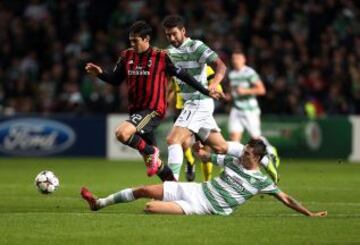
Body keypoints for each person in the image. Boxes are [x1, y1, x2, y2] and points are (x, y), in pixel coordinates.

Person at [85, 20, 222, 181]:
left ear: (146, 39)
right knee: (154, 165)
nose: (132, 44)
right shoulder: (126, 55)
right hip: (136, 110)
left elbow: (183, 75)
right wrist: (100, 73)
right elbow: (116, 80)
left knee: (122, 133)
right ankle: (172, 188)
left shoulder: (161, 56)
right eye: (131, 41)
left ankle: (151, 152)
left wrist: (205, 90)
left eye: (135, 40)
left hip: (153, 109)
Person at [80, 138, 327, 217]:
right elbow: (207, 159)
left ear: (257, 158)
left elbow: (286, 199)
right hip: (195, 189)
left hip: (202, 206)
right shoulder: (233, 160)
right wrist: (200, 152)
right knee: (144, 189)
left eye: (248, 152)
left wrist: (309, 213)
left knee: (149, 207)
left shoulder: (261, 181)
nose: (242, 153)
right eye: (244, 150)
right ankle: (99, 203)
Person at [162, 15, 276, 182]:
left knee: (173, 139)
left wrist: (214, 83)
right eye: (168, 35)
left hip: (199, 101)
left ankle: (171, 188)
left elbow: (221, 65)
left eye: (174, 34)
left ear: (183, 31)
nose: (172, 38)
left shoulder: (196, 46)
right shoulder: (169, 52)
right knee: (221, 147)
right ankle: (265, 160)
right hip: (192, 104)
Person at [228, 51, 280, 181]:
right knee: (234, 139)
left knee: (256, 138)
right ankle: (236, 169)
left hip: (250, 110)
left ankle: (271, 150)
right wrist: (228, 96)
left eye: (238, 58)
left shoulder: (249, 73)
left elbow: (261, 90)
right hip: (236, 109)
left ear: (243, 60)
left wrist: (245, 91)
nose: (235, 61)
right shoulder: (232, 74)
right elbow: (234, 92)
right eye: (233, 59)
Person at [167, 65, 221, 181]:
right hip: (181, 110)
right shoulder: (177, 67)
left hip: (200, 108)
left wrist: (216, 89)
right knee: (182, 143)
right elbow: (172, 88)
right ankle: (190, 161)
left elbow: (216, 86)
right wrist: (168, 98)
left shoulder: (207, 69)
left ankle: (207, 181)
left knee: (207, 148)